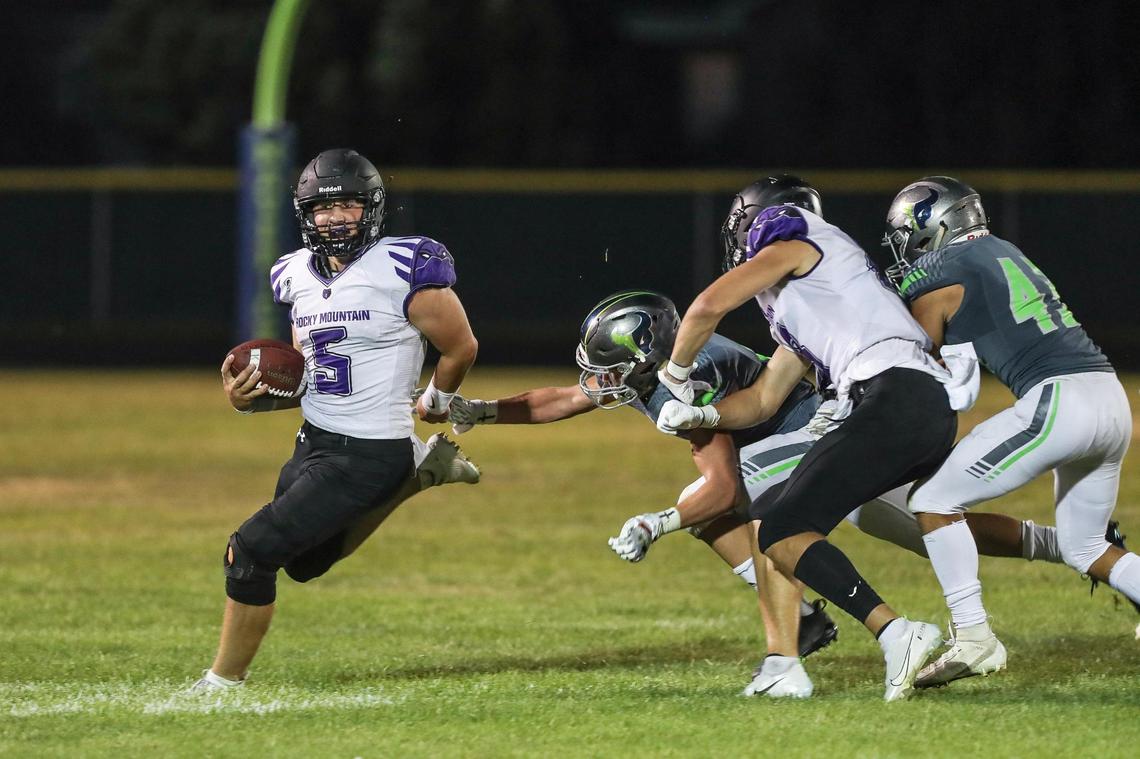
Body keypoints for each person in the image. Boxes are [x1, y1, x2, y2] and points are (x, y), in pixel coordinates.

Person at [446, 288, 1065, 698]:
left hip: (823, 435)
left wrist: (655, 522)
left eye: (609, 369)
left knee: (770, 512)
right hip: (807, 443)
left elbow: (720, 488)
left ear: (644, 358)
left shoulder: (688, 380)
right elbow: (563, 397)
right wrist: (477, 410)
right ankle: (1073, 548)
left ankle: (793, 659)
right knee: (918, 523)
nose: (598, 383)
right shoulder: (658, 367)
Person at [654, 175, 965, 701]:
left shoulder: (797, 242)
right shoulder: (818, 294)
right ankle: (784, 666)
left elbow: (706, 307)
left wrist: (675, 376)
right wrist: (698, 417)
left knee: (781, 524)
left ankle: (898, 633)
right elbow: (762, 401)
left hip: (893, 395)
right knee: (775, 514)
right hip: (906, 403)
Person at [192, 148, 480, 691]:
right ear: (306, 214)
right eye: (324, 208)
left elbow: (461, 346)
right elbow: (306, 377)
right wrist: (248, 398)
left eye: (349, 204)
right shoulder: (294, 274)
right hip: (315, 439)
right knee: (303, 564)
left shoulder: (406, 267)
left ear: (370, 209)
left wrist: (437, 401)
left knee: (250, 552)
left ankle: (222, 683)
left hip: (369, 448)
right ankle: (419, 475)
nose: (336, 217)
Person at [882, 176, 1140, 688]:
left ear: (934, 224)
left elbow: (912, 362)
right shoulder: (1003, 250)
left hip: (1059, 401)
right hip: (1110, 396)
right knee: (1085, 546)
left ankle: (975, 637)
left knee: (933, 501)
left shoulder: (937, 270)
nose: (906, 249)